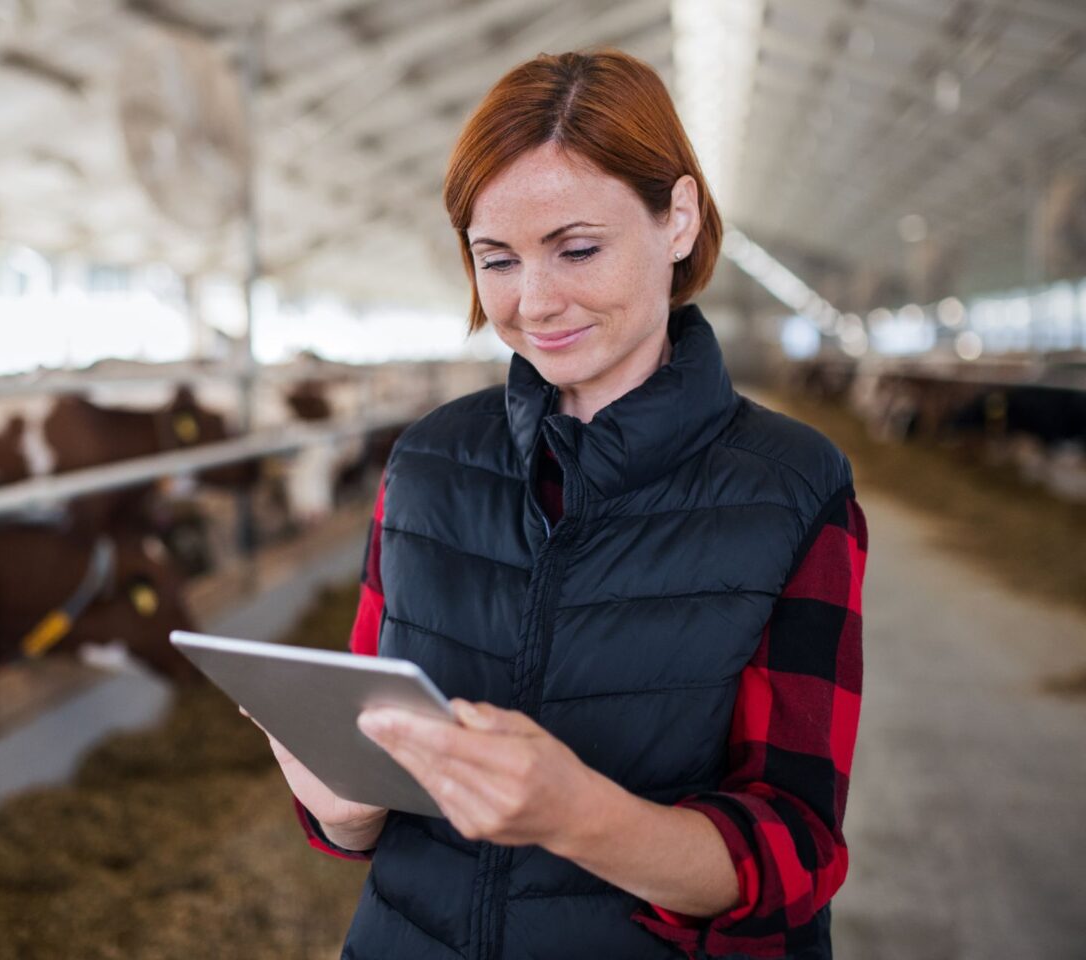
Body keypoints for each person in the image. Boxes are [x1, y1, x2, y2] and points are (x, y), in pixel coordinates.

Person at [247, 49, 868, 960]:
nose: (535, 303)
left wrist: (582, 817)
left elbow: (795, 854)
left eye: (577, 249)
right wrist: (342, 804)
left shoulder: (793, 488)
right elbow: (373, 783)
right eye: (496, 259)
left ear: (678, 218)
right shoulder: (426, 462)